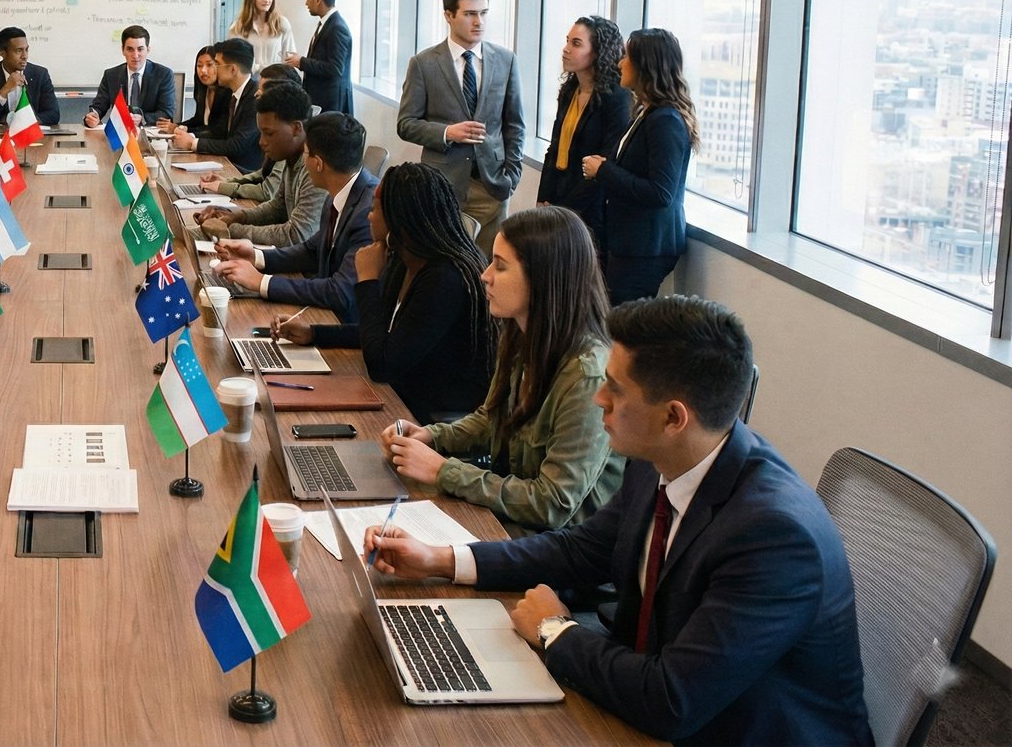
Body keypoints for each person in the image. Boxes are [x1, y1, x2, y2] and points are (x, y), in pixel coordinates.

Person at [366, 295, 872, 746]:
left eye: (614, 388)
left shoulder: (775, 537)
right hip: (652, 697)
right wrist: (439, 559)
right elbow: (579, 550)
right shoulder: (659, 458)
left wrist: (555, 629)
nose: (598, 400)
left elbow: (671, 701)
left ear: (674, 417)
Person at [382, 207, 624, 532]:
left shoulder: (586, 376)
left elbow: (552, 504)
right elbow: (491, 418)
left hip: (551, 551)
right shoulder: (522, 338)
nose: (485, 275)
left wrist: (444, 471)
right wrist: (431, 435)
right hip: (509, 524)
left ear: (543, 278)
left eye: (501, 265)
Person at [274, 163, 495, 421]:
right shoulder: (405, 257)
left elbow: (382, 364)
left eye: (375, 209)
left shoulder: (445, 278)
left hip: (426, 415)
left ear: (398, 219)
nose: (369, 215)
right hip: (399, 393)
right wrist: (314, 333)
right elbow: (384, 334)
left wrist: (367, 280)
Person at [398, 0, 525, 253]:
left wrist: (511, 177)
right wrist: (447, 133)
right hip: (442, 187)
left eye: (483, 13)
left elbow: (514, 125)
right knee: (442, 264)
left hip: (491, 185)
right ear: (449, 15)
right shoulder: (424, 63)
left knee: (488, 269)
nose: (479, 22)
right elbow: (406, 124)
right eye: (470, 14)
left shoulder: (506, 60)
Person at [211, 112, 375, 322]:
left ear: (318, 163)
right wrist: (257, 257)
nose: (302, 162)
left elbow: (340, 291)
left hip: (346, 329)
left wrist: (262, 282)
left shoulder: (367, 213)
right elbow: (312, 251)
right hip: (325, 314)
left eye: (305, 154)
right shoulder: (339, 191)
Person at [582, 28, 697, 306]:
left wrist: (604, 171)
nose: (620, 63)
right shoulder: (647, 112)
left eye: (627, 57)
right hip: (629, 243)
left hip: (645, 248)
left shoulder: (665, 120)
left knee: (621, 326)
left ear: (645, 66)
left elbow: (660, 192)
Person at [536, 16, 631, 240]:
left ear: (598, 52)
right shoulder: (570, 90)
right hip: (559, 196)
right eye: (567, 41)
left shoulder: (617, 97)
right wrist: (543, 199)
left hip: (591, 207)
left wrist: (566, 210)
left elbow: (606, 162)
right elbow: (554, 149)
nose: (565, 49)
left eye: (576, 44)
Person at [194, 83, 323, 247]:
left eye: (269, 133)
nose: (262, 142)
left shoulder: (315, 167)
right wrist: (238, 216)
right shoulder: (291, 156)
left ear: (296, 128)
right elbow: (278, 207)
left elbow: (296, 235)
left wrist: (230, 229)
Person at [189, 63, 304, 201]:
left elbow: (268, 191)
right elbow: (263, 174)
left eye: (263, 90)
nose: (256, 93)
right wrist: (228, 181)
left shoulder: (287, 133)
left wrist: (224, 187)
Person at [171, 38, 263, 172]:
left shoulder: (254, 97)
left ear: (232, 69)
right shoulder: (235, 94)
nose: (213, 70)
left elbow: (237, 145)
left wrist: (192, 142)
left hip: (242, 171)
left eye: (217, 64)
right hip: (225, 165)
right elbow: (220, 132)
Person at [83, 25, 177, 126]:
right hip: (120, 134)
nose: (135, 55)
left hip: (150, 135)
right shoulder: (111, 75)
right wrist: (93, 117)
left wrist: (142, 118)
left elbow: (167, 112)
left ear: (148, 50)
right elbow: (98, 107)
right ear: (123, 50)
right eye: (130, 49)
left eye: (140, 49)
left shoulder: (163, 74)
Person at [286, 0, 354, 116]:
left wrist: (302, 62)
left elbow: (335, 69)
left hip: (330, 104)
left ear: (318, 0)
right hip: (322, 100)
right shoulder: (327, 23)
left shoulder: (337, 27)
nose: (306, 3)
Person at [0, 27, 61, 127]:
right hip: (0, 139)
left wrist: (23, 121)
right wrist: (4, 91)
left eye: (26, 50)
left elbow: (53, 114)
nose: (25, 56)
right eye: (19, 51)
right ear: (2, 53)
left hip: (33, 136)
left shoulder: (40, 74)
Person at [228, 0, 296, 73]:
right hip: (250, 83)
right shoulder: (237, 27)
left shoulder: (282, 24)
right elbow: (234, 61)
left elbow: (290, 58)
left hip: (277, 81)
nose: (267, 0)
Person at [167, 46, 224, 133]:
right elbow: (198, 120)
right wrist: (177, 125)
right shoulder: (203, 90)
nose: (203, 70)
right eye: (199, 66)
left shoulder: (228, 93)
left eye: (209, 65)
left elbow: (217, 130)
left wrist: (182, 129)